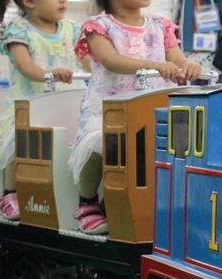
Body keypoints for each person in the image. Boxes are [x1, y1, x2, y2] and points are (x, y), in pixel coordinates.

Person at [69, 0, 201, 235]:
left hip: (154, 106)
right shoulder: (98, 27)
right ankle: (87, 201)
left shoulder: (160, 25)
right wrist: (154, 65)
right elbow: (111, 60)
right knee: (98, 142)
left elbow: (177, 58)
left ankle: (170, 201)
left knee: (181, 142)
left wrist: (188, 66)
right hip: (110, 108)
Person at [0, 0, 86, 221]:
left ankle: (84, 196)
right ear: (29, 2)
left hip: (68, 102)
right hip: (30, 103)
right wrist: (49, 74)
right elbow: (25, 66)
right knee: (18, 135)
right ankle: (9, 193)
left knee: (88, 134)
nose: (63, 0)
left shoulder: (71, 29)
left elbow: (88, 61)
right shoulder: (18, 31)